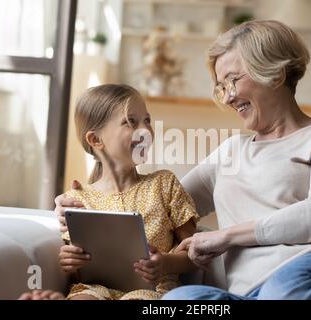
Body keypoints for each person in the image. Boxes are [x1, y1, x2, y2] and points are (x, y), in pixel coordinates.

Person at [55, 20, 311, 300]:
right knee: (181, 301)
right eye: (220, 87)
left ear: (275, 72)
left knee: (286, 288)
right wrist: (81, 206)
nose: (227, 97)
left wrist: (226, 237)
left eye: (232, 80)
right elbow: (153, 206)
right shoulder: (229, 152)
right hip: (251, 292)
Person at [19, 84, 199, 300]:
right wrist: (71, 262)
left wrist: (166, 263)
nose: (145, 130)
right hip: (95, 289)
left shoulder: (164, 183)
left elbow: (195, 251)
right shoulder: (77, 200)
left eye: (147, 120)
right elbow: (79, 270)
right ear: (96, 140)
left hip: (152, 291)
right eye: (130, 122)